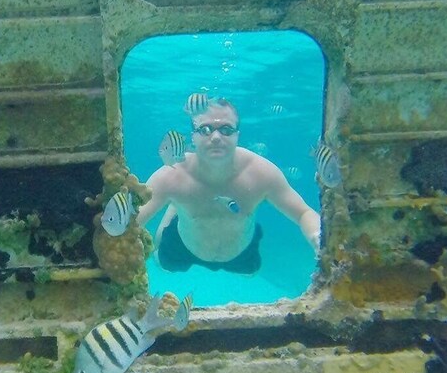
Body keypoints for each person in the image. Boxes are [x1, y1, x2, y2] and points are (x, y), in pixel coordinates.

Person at [136, 98, 321, 274]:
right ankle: (176, 206)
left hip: (241, 251)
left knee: (250, 273)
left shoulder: (260, 173)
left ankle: (178, 204)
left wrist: (317, 236)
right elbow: (131, 222)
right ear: (193, 136)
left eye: (226, 129)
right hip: (184, 245)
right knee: (161, 262)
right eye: (205, 129)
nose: (216, 137)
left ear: (237, 135)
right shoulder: (172, 175)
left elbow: (303, 212)